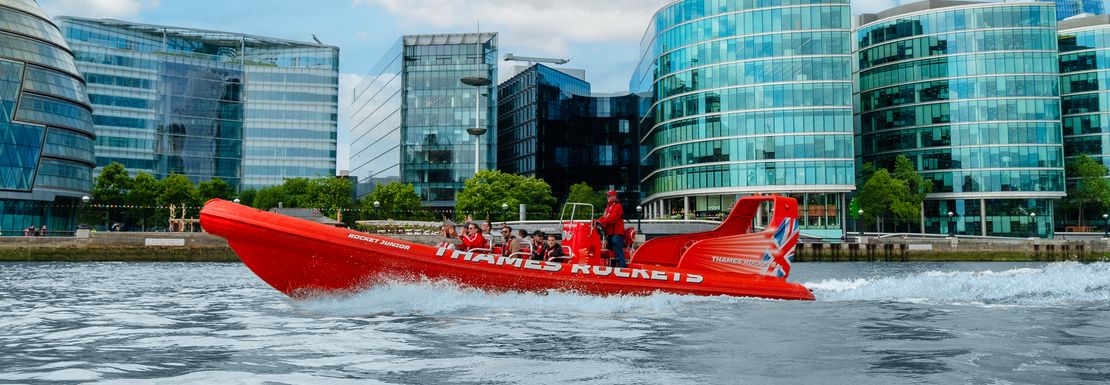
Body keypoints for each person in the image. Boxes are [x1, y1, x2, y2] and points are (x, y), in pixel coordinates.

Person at [596, 190, 628, 267]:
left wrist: (600, 221)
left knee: (618, 254)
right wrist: (597, 221)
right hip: (610, 234)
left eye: (609, 196)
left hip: (617, 234)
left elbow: (612, 219)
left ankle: (623, 268)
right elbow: (605, 217)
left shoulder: (617, 206)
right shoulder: (609, 207)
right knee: (611, 254)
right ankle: (613, 269)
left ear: (614, 197)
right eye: (607, 196)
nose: (607, 197)